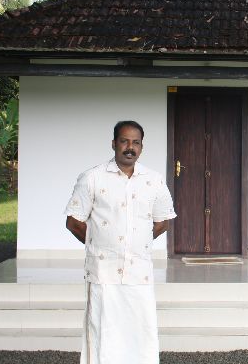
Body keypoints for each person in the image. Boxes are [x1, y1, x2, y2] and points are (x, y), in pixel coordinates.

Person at [64, 120, 176, 364]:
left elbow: (162, 222)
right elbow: (73, 222)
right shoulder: (92, 178)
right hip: (103, 272)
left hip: (139, 272)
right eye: (124, 141)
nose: (130, 147)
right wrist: (100, 244)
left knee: (141, 334)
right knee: (103, 333)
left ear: (142, 147)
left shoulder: (154, 180)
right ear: (113, 143)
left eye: (136, 142)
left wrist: (134, 243)